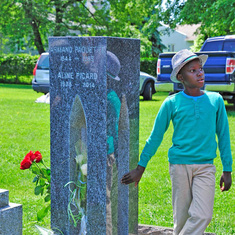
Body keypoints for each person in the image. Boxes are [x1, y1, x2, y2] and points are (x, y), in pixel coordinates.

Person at [121, 49, 233, 235]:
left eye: (200, 69)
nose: (200, 73)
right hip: (179, 167)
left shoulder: (216, 100)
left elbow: (223, 137)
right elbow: (155, 137)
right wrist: (140, 168)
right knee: (180, 221)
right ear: (180, 77)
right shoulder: (171, 103)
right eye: (193, 70)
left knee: (203, 216)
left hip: (205, 167)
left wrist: (227, 169)